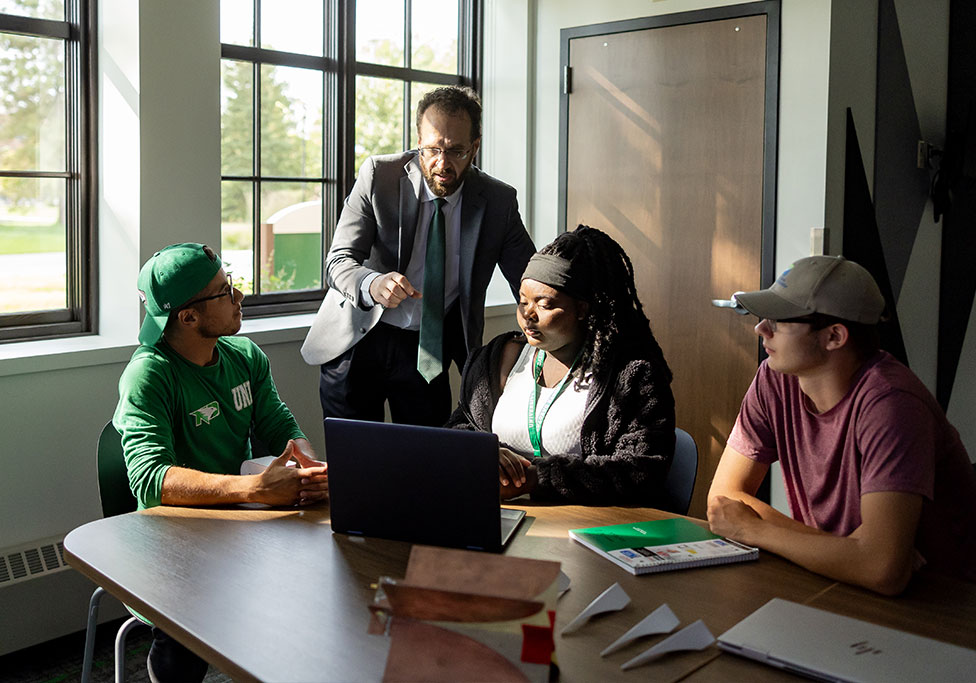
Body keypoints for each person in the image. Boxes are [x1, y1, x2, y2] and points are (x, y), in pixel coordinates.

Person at [707, 255, 976, 596]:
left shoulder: (892, 405)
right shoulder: (776, 379)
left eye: (779, 320)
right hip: (844, 584)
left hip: (949, 609)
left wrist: (753, 530)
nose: (761, 328)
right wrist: (850, 551)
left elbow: (883, 571)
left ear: (834, 336)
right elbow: (723, 500)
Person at [114, 242, 328, 682]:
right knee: (184, 634)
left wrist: (306, 464)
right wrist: (255, 489)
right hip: (171, 547)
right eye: (224, 291)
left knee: (318, 598)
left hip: (239, 530)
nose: (238, 298)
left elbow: (277, 423)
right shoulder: (150, 375)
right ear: (188, 316)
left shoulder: (244, 356)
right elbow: (150, 480)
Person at [301, 85, 536, 426]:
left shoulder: (497, 202)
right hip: (359, 338)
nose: (442, 163)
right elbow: (338, 261)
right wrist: (372, 283)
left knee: (424, 462)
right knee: (355, 464)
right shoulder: (379, 176)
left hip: (428, 349)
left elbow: (529, 280)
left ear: (475, 147)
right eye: (432, 150)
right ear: (418, 140)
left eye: (456, 151)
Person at [446, 225, 676, 504]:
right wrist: (482, 452)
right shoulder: (500, 358)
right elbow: (458, 430)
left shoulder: (630, 375)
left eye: (544, 304)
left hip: (587, 525)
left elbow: (641, 468)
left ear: (582, 309)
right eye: (522, 301)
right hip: (500, 514)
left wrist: (536, 478)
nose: (528, 314)